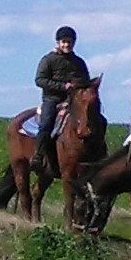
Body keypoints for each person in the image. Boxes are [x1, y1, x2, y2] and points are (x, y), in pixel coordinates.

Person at [32, 26, 96, 179]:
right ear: (58, 42)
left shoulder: (79, 62)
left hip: (73, 100)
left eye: (70, 42)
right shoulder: (48, 60)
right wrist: (63, 86)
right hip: (52, 100)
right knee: (46, 123)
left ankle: (97, 153)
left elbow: (85, 80)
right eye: (64, 42)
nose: (67, 45)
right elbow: (39, 80)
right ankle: (39, 156)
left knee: (95, 119)